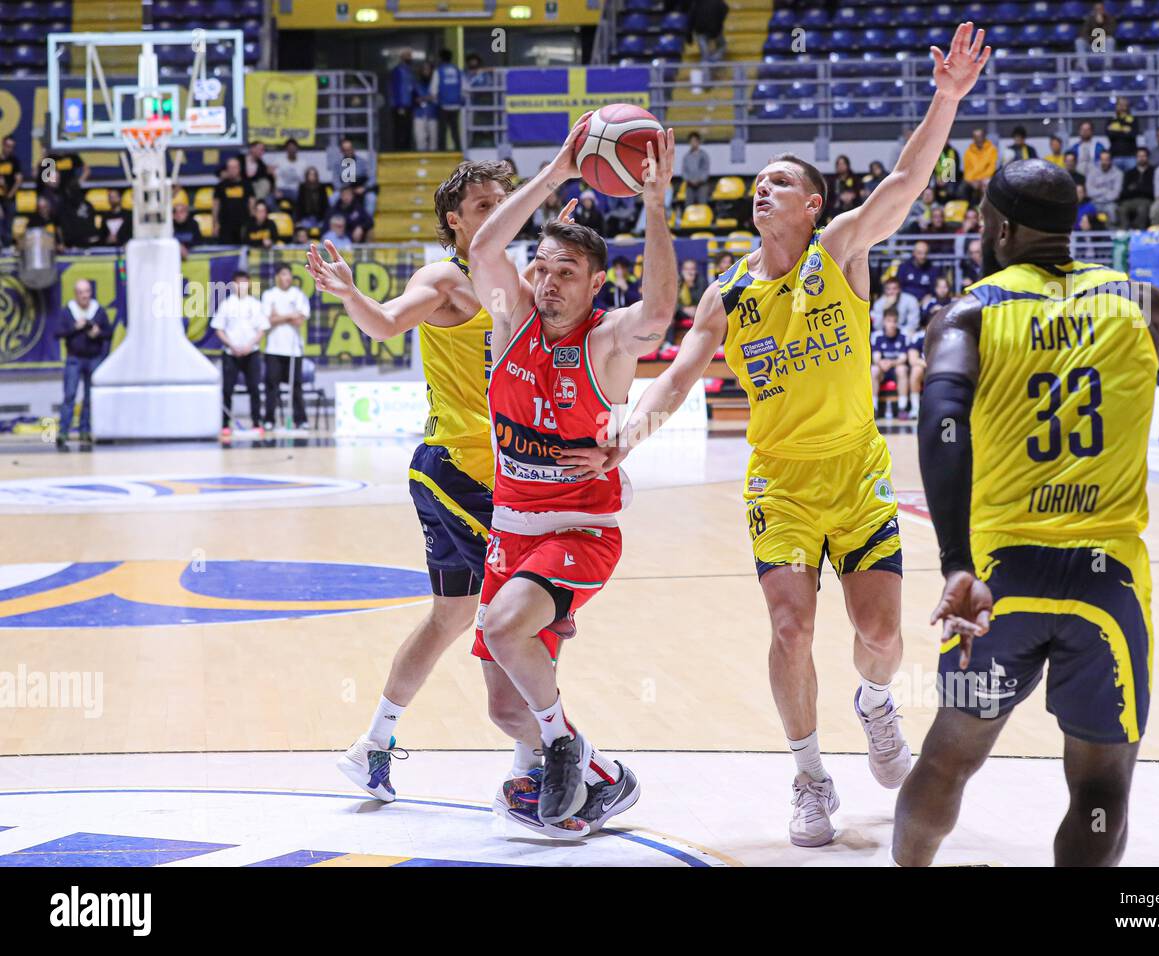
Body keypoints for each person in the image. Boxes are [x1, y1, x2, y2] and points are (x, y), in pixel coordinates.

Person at [561, 23, 992, 848]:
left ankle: (873, 704)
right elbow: (682, 374)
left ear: (812, 204)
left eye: (779, 182)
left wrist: (946, 99)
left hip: (858, 474)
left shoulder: (840, 251)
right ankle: (809, 777)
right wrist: (627, 433)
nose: (762, 190)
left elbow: (904, 181)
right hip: (780, 484)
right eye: (757, 183)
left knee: (881, 635)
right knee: (790, 627)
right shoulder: (727, 292)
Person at [896, 158, 1159, 867]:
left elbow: (941, 419)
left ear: (1000, 227)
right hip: (1109, 583)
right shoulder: (1136, 300)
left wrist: (956, 563)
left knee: (948, 759)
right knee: (1103, 786)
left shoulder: (969, 311)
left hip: (1002, 576)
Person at [312, 162, 621, 836]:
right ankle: (543, 769)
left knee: (452, 617)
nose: (496, 210)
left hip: (494, 476)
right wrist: (349, 295)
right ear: (455, 220)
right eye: (483, 203)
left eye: (503, 200)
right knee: (528, 618)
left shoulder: (525, 285)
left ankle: (373, 747)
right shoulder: (448, 280)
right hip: (464, 473)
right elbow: (389, 323)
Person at [465, 124, 678, 830]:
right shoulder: (511, 319)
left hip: (579, 529)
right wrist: (559, 167)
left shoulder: (606, 343)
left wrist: (654, 207)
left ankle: (563, 744)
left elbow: (658, 313)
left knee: (501, 627)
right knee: (502, 707)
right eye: (543, 269)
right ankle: (602, 775)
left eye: (567, 274)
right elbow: (484, 247)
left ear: (594, 284)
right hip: (510, 532)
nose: (550, 283)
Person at [55, 279, 112, 450]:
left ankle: (85, 430)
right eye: (81, 292)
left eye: (87, 291)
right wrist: (75, 327)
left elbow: (109, 332)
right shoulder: (68, 311)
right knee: (69, 395)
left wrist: (98, 333)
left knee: (89, 398)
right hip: (74, 358)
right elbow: (58, 332)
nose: (85, 295)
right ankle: (63, 431)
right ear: (76, 294)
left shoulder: (99, 311)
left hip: (93, 358)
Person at [211, 270, 270, 436]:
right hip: (231, 353)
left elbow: (261, 329)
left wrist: (249, 345)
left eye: (244, 282)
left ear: (249, 284)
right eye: (237, 282)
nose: (241, 286)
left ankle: (257, 421)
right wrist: (232, 345)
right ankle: (225, 424)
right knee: (228, 390)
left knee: (254, 388)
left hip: (251, 353)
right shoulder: (226, 304)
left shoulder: (255, 304)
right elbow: (219, 329)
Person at [261, 264, 311, 431]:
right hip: (274, 348)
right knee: (271, 386)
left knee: (296, 386)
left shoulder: (298, 295)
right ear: (277, 276)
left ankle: (301, 420)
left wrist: (279, 316)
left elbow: (299, 320)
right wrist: (290, 314)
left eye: (289, 275)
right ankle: (269, 420)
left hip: (294, 348)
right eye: (283, 274)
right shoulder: (269, 295)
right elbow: (268, 321)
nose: (287, 278)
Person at [871, 308, 911, 419]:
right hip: (882, 370)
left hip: (895, 369)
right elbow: (876, 357)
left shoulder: (903, 335)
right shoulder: (877, 336)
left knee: (902, 369)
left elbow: (903, 357)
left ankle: (902, 408)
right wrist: (881, 363)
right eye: (889, 321)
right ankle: (873, 408)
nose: (892, 324)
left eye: (894, 321)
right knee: (874, 370)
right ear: (884, 321)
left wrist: (891, 363)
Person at [213, 156, 252, 245]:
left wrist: (252, 225)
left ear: (239, 169)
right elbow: (216, 205)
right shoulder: (220, 186)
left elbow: (251, 204)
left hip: (243, 225)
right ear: (227, 169)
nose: (232, 170)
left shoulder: (246, 185)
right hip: (225, 226)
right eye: (230, 167)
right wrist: (215, 224)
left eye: (235, 167)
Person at [434, 49, 465, 152]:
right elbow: (464, 88)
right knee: (455, 129)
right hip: (456, 105)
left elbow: (433, 90)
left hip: (443, 105)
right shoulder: (458, 70)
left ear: (441, 58)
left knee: (442, 130)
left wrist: (435, 100)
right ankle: (458, 149)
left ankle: (441, 151)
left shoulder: (439, 71)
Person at [1117, 147, 1155, 230]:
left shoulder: (1153, 172)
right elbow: (1124, 192)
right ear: (1136, 158)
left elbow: (1151, 191)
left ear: (1147, 157)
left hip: (1146, 200)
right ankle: (1125, 231)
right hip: (1130, 200)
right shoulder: (1129, 173)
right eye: (1139, 156)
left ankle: (1138, 231)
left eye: (1143, 156)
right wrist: (1141, 188)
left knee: (1142, 209)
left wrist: (1135, 188)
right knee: (1122, 208)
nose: (1141, 158)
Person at [56, 184, 100, 250]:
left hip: (86, 244)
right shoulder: (64, 207)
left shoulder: (87, 205)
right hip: (72, 246)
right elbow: (61, 228)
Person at [390, 48, 418, 151]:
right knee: (400, 129)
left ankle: (406, 149)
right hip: (400, 105)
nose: (410, 58)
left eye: (410, 55)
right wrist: (399, 105)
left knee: (407, 129)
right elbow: (396, 88)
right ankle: (398, 150)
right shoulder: (398, 70)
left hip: (409, 105)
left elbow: (412, 87)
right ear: (402, 57)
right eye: (408, 55)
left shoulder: (409, 70)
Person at [689, 0, 729, 69]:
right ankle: (714, 60)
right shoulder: (718, 2)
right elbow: (725, 8)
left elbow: (691, 16)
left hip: (701, 31)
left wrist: (689, 34)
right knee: (722, 46)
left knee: (705, 55)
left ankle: (708, 65)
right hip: (714, 29)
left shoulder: (696, 2)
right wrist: (719, 23)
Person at [1085, 150, 1122, 224]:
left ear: (1111, 161)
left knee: (1112, 210)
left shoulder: (1118, 173)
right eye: (1102, 159)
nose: (1104, 162)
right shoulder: (1092, 172)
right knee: (1085, 211)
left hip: (1110, 203)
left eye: (1106, 160)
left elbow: (1116, 194)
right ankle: (1086, 234)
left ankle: (1112, 232)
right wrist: (1105, 190)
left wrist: (1098, 193)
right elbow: (1089, 192)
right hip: (1094, 202)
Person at [0, 136, 22, 251]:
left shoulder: (14, 161)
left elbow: (18, 180)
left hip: (9, 197)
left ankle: (7, 246)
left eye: (12, 147)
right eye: (8, 146)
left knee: (9, 222)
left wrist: (10, 194)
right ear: (3, 145)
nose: (9, 149)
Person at [963, 127, 997, 200]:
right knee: (964, 188)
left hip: (986, 178)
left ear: (984, 137)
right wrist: (971, 181)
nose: (978, 139)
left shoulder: (992, 149)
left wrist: (981, 179)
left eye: (980, 136)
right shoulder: (968, 152)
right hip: (973, 179)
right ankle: (970, 209)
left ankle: (984, 208)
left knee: (986, 185)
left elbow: (992, 167)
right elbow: (967, 170)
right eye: (975, 137)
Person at [1106, 98, 1138, 172]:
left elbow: (1132, 135)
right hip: (1115, 156)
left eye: (1124, 105)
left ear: (1127, 106)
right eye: (1120, 105)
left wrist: (1117, 129)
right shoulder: (1111, 119)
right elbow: (1110, 135)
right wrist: (1124, 130)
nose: (1122, 107)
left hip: (1130, 156)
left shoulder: (1133, 119)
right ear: (1116, 106)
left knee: (1130, 179)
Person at [294, 166, 331, 231]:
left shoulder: (321, 187)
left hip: (319, 218)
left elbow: (325, 204)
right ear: (307, 176)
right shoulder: (302, 187)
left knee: (325, 226)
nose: (312, 176)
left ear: (316, 176)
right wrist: (298, 220)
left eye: (314, 174)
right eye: (310, 174)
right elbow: (299, 205)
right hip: (306, 217)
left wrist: (325, 219)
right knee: (301, 228)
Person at [273, 139, 308, 204]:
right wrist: (275, 190)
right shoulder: (279, 161)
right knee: (269, 200)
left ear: (297, 149)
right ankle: (279, 213)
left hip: (295, 190)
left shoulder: (303, 163)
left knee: (301, 199)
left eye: (293, 148)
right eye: (289, 148)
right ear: (286, 149)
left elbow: (305, 180)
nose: (291, 150)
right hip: (281, 189)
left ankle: (296, 214)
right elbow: (273, 177)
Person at [682, 132, 712, 206]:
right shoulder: (686, 157)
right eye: (691, 141)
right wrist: (690, 180)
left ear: (698, 142)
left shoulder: (704, 156)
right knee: (688, 206)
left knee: (702, 205)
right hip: (690, 185)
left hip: (702, 185)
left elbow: (706, 170)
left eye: (695, 141)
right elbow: (684, 172)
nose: (693, 143)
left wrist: (699, 180)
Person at [413, 62, 437, 152]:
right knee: (420, 140)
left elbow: (437, 97)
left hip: (433, 114)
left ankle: (434, 164)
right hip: (419, 114)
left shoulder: (435, 83)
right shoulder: (416, 83)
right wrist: (426, 98)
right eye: (424, 69)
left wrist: (424, 98)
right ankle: (421, 161)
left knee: (433, 141)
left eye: (428, 69)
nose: (426, 71)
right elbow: (413, 99)